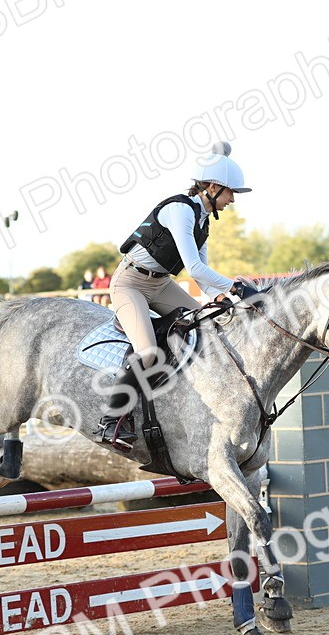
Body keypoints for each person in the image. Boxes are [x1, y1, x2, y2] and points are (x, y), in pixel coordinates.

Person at [94, 142, 258, 450]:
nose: (233, 200)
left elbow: (201, 274)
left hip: (161, 284)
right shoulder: (180, 210)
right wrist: (234, 286)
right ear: (212, 187)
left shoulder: (202, 221)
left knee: (205, 329)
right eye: (230, 192)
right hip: (130, 284)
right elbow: (194, 265)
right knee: (147, 352)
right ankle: (112, 419)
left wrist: (224, 297)